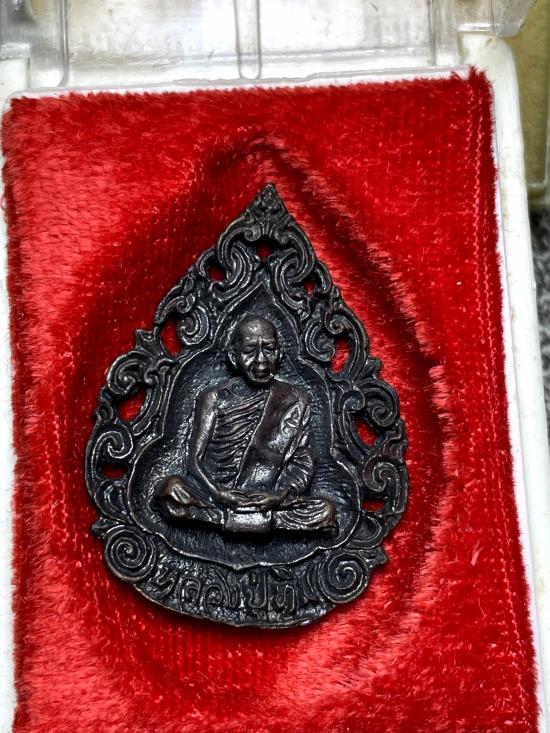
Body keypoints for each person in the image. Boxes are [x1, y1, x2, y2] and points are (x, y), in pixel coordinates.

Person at [158, 314, 336, 533]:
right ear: (234, 357)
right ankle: (251, 521)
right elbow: (194, 460)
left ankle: (226, 520)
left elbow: (302, 461)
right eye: (250, 351)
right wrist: (218, 493)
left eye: (269, 349)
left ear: (279, 353)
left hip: (267, 499)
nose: (261, 360)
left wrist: (279, 495)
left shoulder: (294, 399)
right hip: (216, 495)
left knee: (325, 511)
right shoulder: (214, 397)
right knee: (172, 491)